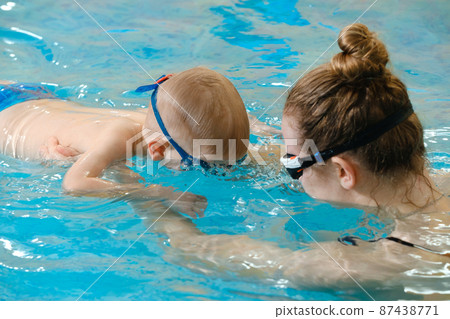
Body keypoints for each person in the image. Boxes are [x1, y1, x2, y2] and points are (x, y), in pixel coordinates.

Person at [133, 24, 449, 298]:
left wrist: (134, 191)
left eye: (293, 161)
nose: (287, 166)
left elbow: (189, 249)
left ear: (343, 171)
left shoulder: (353, 268)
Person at [0, 67, 250, 216]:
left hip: (34, 94)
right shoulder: (118, 137)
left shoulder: (162, 122)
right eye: (203, 165)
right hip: (7, 121)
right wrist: (157, 192)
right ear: (157, 149)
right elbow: (74, 184)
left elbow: (206, 115)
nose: (220, 172)